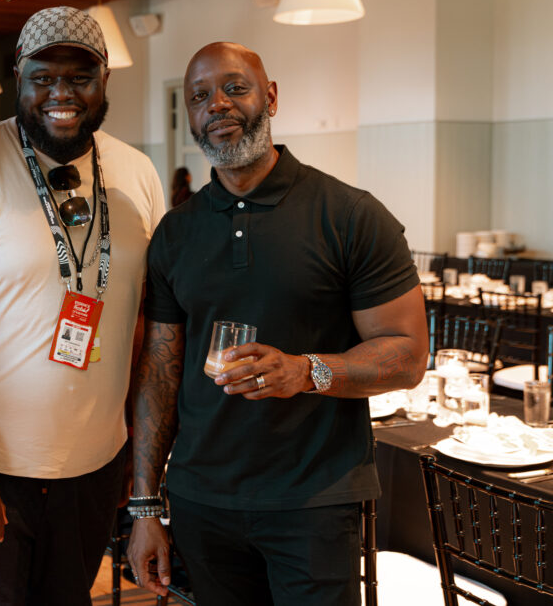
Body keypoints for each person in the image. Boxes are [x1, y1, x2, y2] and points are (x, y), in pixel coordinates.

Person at [126, 42, 428, 605]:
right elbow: (160, 377)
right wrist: (145, 505)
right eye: (199, 96)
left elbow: (408, 355)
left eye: (234, 88)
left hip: (315, 501)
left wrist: (305, 370)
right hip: (202, 501)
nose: (217, 104)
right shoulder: (175, 232)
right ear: (190, 116)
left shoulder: (350, 215)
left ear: (270, 97)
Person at [0, 6, 165, 604]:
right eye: (43, 77)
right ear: (19, 77)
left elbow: (142, 319)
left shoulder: (138, 173)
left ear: (105, 82)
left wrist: (131, 448)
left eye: (79, 77)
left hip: (93, 465)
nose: (61, 94)